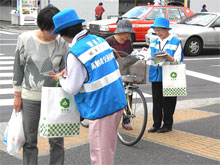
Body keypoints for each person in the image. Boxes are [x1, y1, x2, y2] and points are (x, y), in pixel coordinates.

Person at [50, 8, 127, 165]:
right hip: (117, 101)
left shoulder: (75, 52)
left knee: (100, 157)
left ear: (64, 33)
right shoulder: (98, 40)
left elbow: (72, 88)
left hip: (101, 108)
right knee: (108, 151)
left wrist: (61, 78)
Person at [13, 5, 69, 165]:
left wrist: (65, 72)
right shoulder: (25, 39)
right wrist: (17, 96)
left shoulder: (62, 43)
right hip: (30, 97)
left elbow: (67, 65)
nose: (54, 34)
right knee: (29, 140)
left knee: (57, 139)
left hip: (55, 96)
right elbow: (18, 67)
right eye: (50, 30)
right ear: (41, 26)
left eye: (57, 30)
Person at [142, 17, 184, 133]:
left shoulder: (175, 42)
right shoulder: (154, 41)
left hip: (170, 75)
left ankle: (167, 124)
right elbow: (150, 56)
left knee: (169, 101)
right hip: (156, 74)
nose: (157, 33)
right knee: (156, 100)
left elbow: (178, 60)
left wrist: (168, 58)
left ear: (166, 29)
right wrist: (146, 52)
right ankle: (156, 124)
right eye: (156, 30)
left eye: (159, 30)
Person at [105, 19, 134, 130]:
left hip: (125, 71)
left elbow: (130, 55)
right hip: (111, 73)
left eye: (129, 33)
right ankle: (110, 119)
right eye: (127, 33)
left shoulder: (128, 43)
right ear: (120, 31)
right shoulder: (108, 41)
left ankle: (126, 119)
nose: (128, 35)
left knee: (128, 93)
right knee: (112, 97)